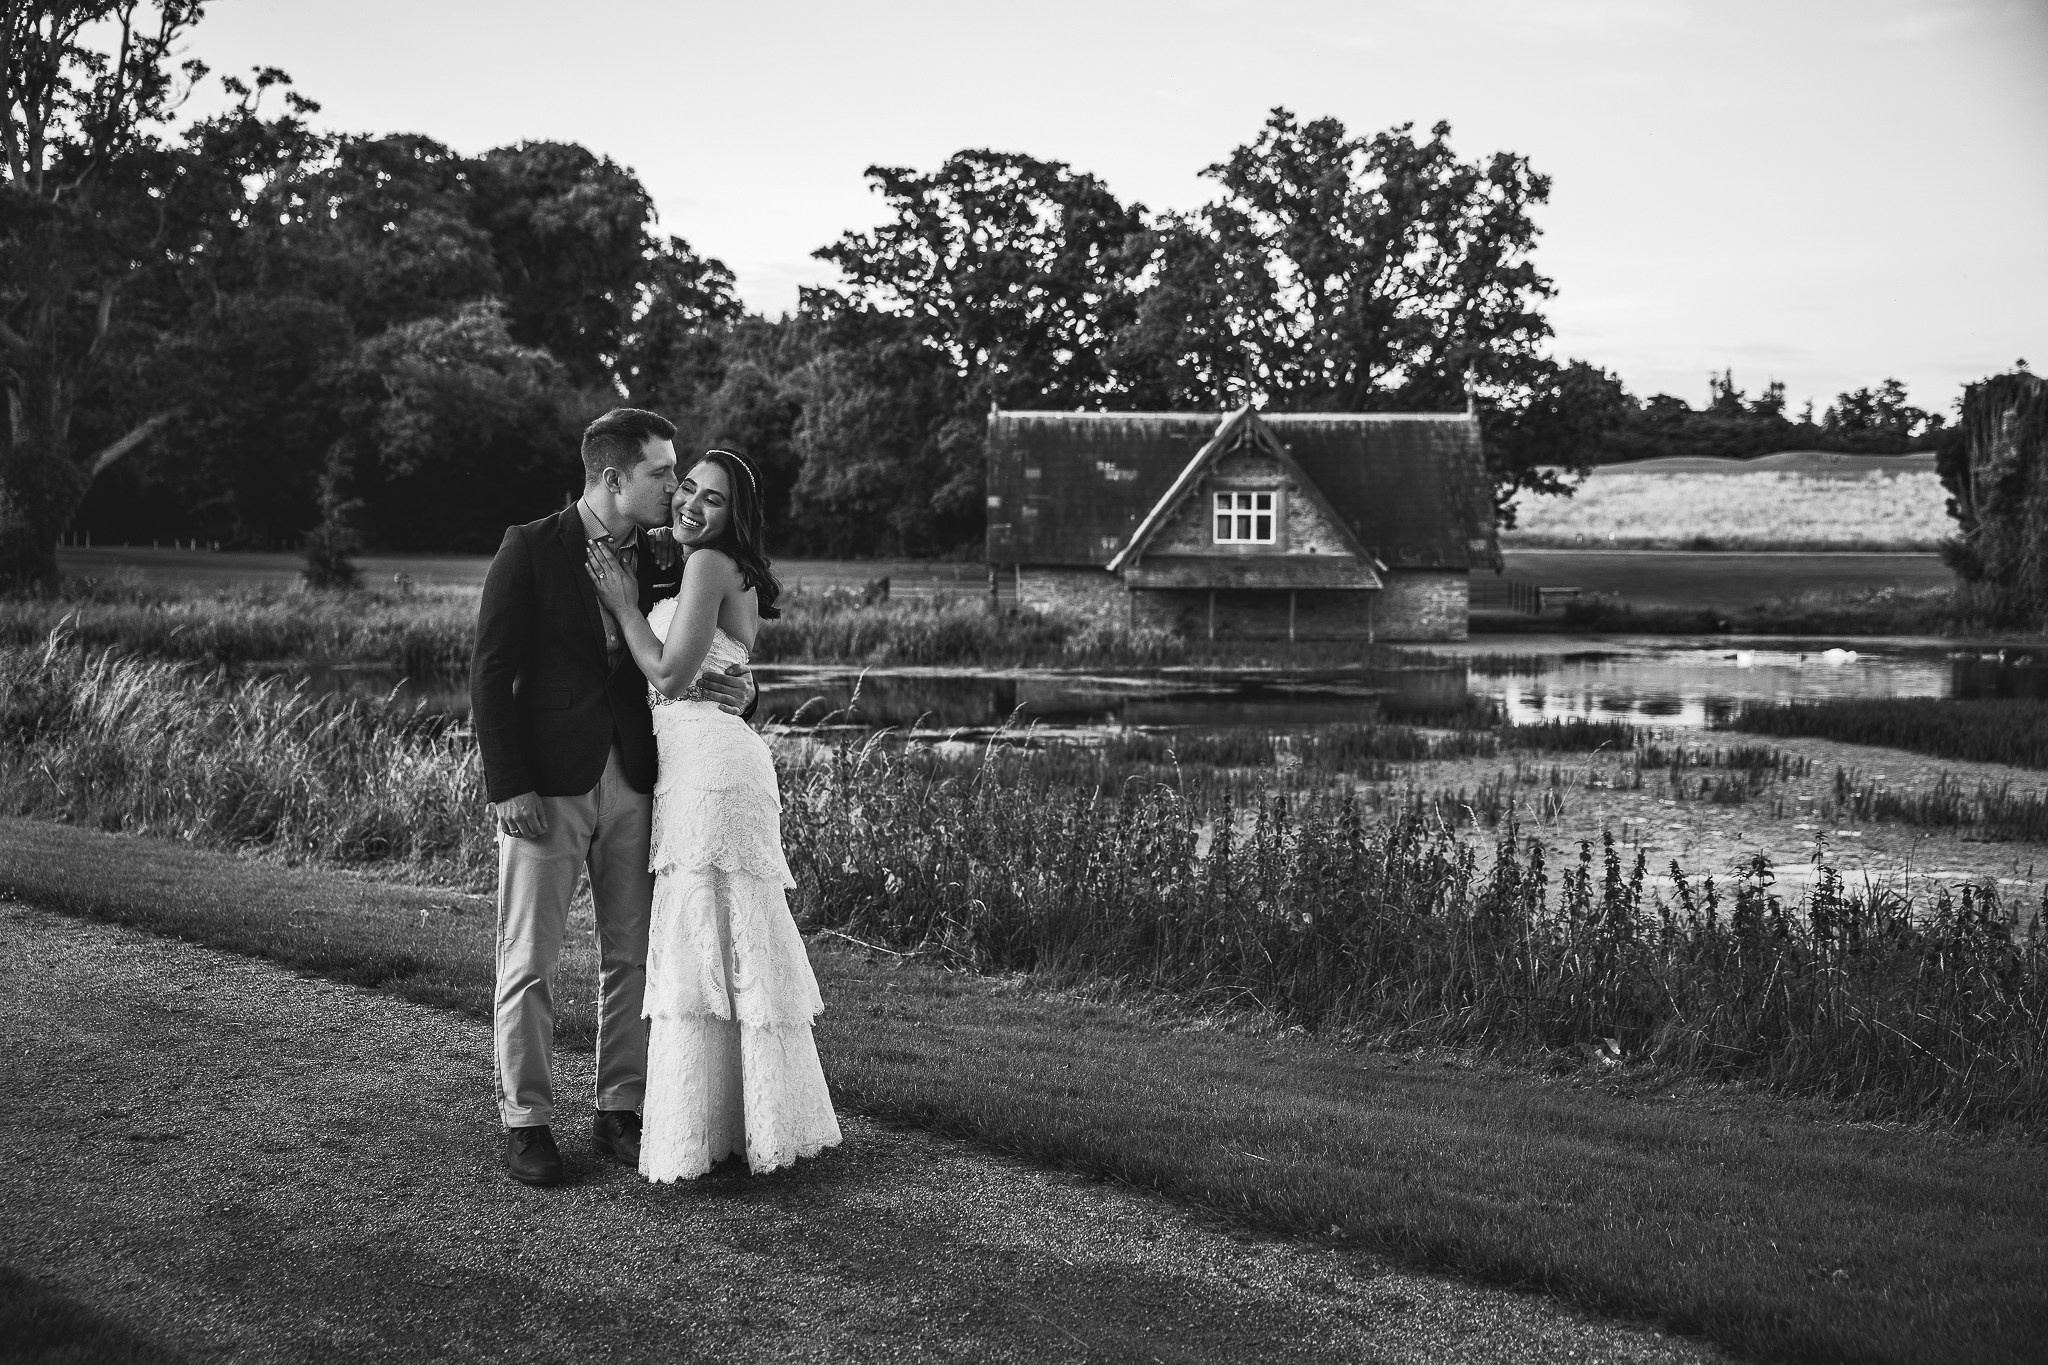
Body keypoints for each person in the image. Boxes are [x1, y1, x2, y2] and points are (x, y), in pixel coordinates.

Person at [471, 409, 754, 1187]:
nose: (676, 486)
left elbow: (704, 647)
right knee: (527, 959)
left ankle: (619, 1109)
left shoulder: (672, 556)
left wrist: (743, 686)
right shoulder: (528, 547)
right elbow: (490, 674)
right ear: (613, 477)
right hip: (545, 788)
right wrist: (508, 785)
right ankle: (526, 1119)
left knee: (631, 955)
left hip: (638, 777)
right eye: (664, 473)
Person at [584, 448, 842, 1181]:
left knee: (706, 938)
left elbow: (668, 672)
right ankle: (746, 1125)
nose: (692, 504)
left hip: (708, 769)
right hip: (710, 759)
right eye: (687, 489)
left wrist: (624, 605)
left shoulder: (706, 566)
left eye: (714, 499)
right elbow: (726, 667)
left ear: (738, 516)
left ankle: (707, 1130)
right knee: (728, 940)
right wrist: (750, 690)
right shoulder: (711, 563)